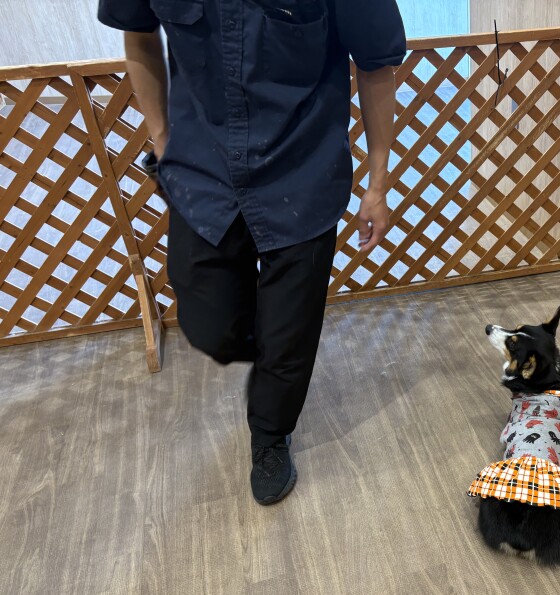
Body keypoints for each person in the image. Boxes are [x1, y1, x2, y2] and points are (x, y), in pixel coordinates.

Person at [98, 0, 406, 505]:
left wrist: (377, 184)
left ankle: (269, 435)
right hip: (202, 168)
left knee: (290, 335)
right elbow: (137, 32)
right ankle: (270, 351)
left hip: (303, 171)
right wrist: (162, 139)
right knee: (209, 324)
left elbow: (376, 65)